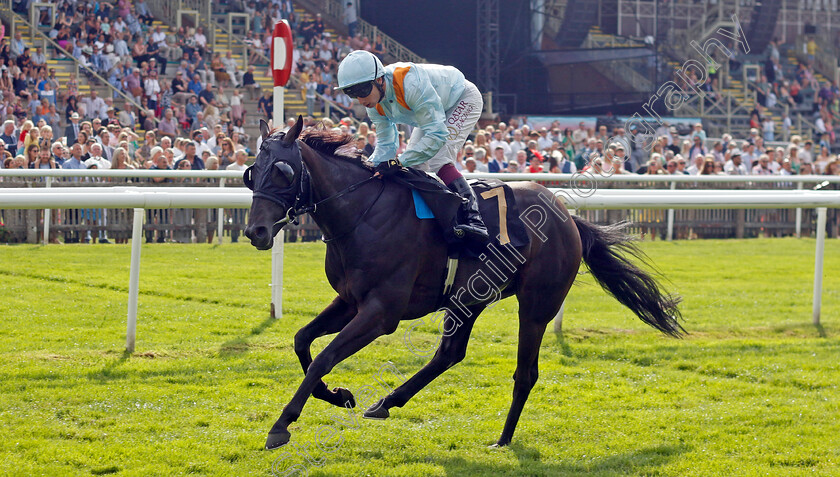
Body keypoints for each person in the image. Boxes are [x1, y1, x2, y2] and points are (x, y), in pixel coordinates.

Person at [335, 50, 488, 242]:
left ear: (380, 80)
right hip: (433, 111)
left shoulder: (410, 84)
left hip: (462, 98)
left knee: (438, 158)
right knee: (414, 166)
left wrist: (398, 162)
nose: (360, 100)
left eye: (362, 91)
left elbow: (437, 135)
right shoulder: (374, 103)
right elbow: (386, 146)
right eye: (352, 93)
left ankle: (474, 218)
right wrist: (369, 167)